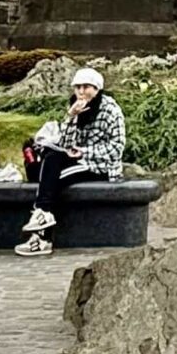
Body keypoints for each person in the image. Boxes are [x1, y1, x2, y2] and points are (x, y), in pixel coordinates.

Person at [15, 66, 125, 257]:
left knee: (54, 181)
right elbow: (64, 142)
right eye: (78, 87)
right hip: (78, 159)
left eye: (86, 87)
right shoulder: (76, 106)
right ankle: (42, 218)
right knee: (51, 159)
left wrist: (84, 151)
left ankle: (42, 233)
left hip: (101, 166)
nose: (81, 92)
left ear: (97, 89)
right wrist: (72, 117)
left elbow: (116, 148)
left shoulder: (111, 110)